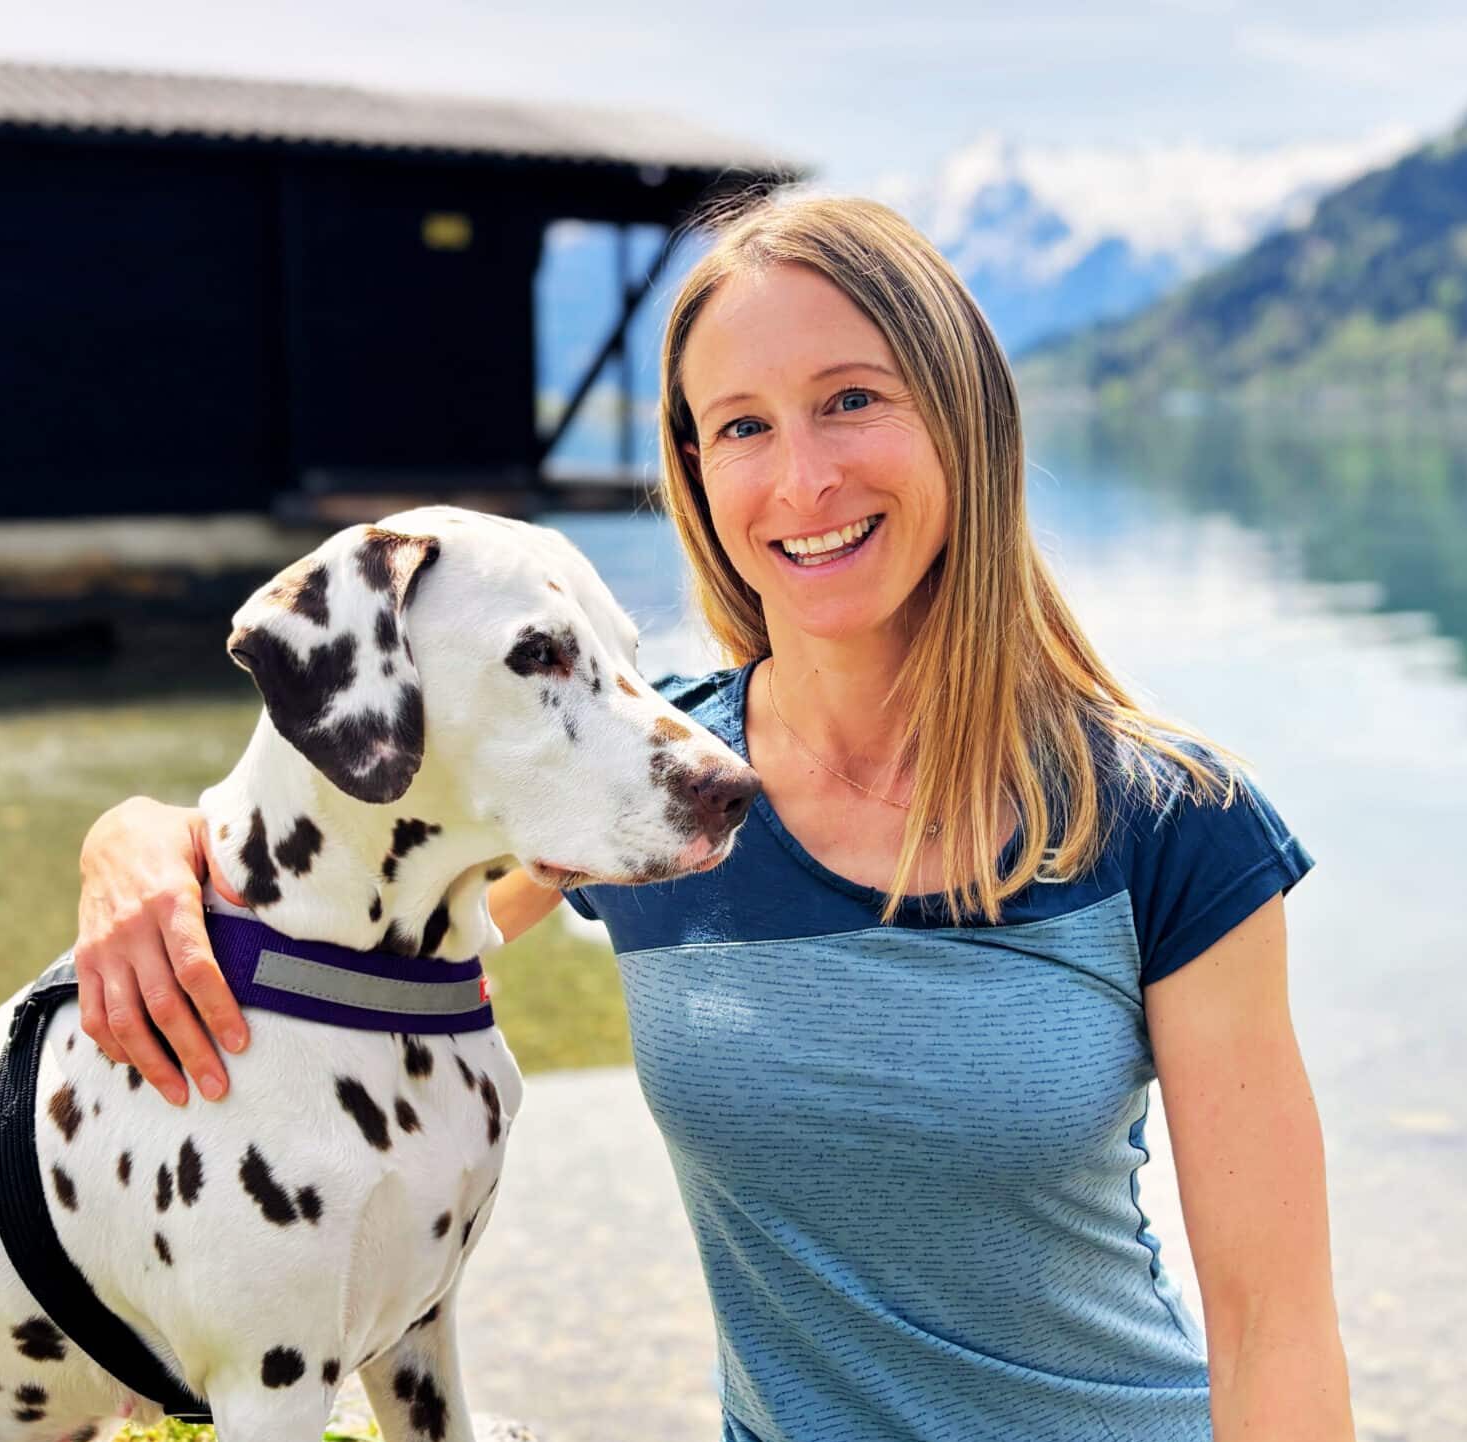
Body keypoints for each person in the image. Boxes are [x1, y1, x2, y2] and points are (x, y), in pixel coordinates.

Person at [74, 194, 1354, 1441]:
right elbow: (353, 907)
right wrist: (133, 834)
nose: (802, 478)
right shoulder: (653, 789)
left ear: (966, 419)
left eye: (853, 398)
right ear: (694, 469)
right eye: (740, 426)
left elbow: (1270, 1329)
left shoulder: (1173, 822)